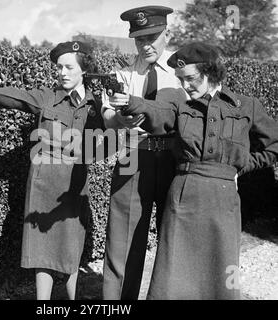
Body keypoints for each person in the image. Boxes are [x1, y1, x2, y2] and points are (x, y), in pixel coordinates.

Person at [109, 42, 278, 299]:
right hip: (183, 199)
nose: (185, 86)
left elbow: (274, 145)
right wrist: (130, 102)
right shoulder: (181, 106)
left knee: (222, 272)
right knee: (174, 275)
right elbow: (157, 112)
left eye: (191, 79)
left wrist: (243, 166)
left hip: (223, 201)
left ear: (211, 72)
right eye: (180, 79)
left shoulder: (246, 106)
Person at [0, 41, 105, 300]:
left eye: (68, 67)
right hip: (44, 183)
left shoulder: (97, 104)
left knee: (72, 247)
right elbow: (17, 97)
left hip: (74, 184)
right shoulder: (48, 97)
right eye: (59, 67)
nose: (62, 72)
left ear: (83, 69)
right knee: (44, 248)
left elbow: (107, 135)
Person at [101, 5, 184, 299]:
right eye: (140, 39)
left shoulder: (182, 75)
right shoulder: (120, 76)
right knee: (122, 243)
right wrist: (119, 119)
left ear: (167, 34)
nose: (146, 45)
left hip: (176, 159)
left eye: (153, 36)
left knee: (175, 240)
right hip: (133, 155)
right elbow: (107, 117)